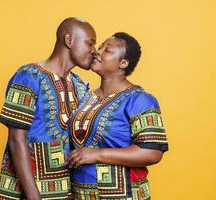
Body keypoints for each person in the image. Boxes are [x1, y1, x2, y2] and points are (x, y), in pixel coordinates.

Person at [0, 17, 96, 200]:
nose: (94, 51)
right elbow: (16, 140)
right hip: (30, 191)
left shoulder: (80, 85)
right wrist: (34, 196)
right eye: (90, 44)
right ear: (69, 40)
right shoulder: (28, 76)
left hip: (68, 190)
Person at [68, 32, 168, 200]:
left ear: (123, 63)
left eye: (107, 50)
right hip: (80, 194)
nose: (98, 52)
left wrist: (97, 154)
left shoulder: (140, 100)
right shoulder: (85, 97)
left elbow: (152, 153)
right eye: (99, 47)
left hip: (123, 195)